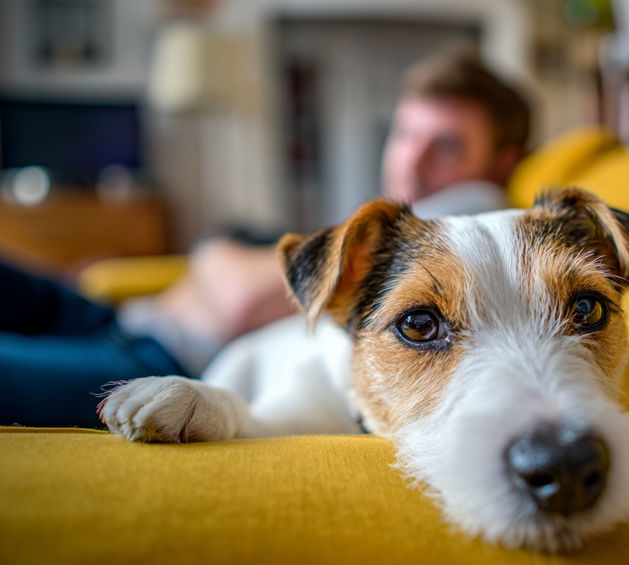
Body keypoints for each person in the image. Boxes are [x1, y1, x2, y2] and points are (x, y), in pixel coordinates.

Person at [0, 49, 530, 428]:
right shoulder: (393, 227)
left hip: (159, 361)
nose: (410, 163)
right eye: (405, 134)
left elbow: (239, 300)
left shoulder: (468, 216)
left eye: (446, 146)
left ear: (500, 162)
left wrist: (213, 253)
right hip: (117, 316)